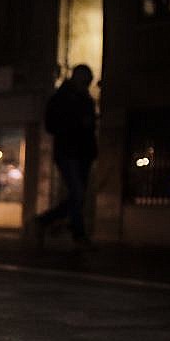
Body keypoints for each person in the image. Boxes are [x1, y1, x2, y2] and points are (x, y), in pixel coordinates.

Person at [34, 64, 98, 249]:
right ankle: (75, 232)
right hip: (68, 152)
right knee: (77, 193)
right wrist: (75, 124)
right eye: (84, 80)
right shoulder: (61, 98)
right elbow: (52, 124)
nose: (86, 84)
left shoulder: (86, 100)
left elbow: (90, 128)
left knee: (78, 196)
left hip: (83, 153)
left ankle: (50, 222)